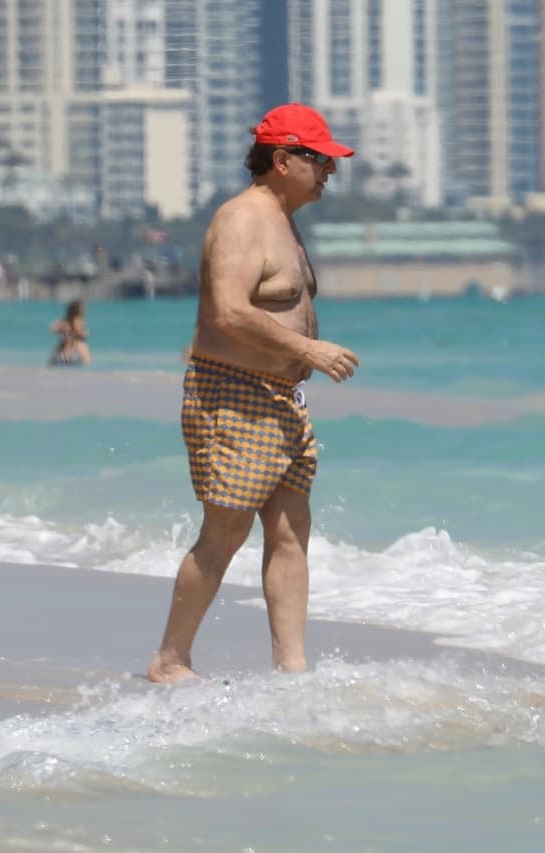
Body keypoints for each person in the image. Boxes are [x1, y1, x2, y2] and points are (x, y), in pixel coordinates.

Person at [146, 103, 361, 683]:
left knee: (292, 527)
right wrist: (308, 351)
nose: (328, 172)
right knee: (226, 531)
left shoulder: (284, 221)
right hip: (234, 393)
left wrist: (299, 361)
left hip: (281, 400)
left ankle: (291, 666)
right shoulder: (241, 219)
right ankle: (171, 659)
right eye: (319, 160)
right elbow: (227, 311)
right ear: (283, 159)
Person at [48, 299, 91, 366]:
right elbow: (84, 334)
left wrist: (68, 332)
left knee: (51, 366)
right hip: (75, 347)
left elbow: (53, 329)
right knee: (86, 368)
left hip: (64, 347)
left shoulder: (66, 320)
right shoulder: (77, 321)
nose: (85, 309)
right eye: (83, 308)